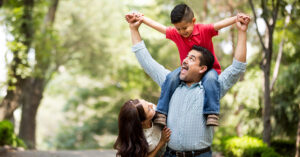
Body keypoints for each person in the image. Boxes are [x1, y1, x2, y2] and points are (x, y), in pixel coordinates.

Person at [128, 12, 249, 157]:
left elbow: (237, 68)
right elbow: (146, 61)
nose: (184, 60)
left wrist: (242, 32)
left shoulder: (212, 89)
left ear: (202, 69)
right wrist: (134, 29)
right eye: (186, 57)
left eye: (191, 59)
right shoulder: (170, 83)